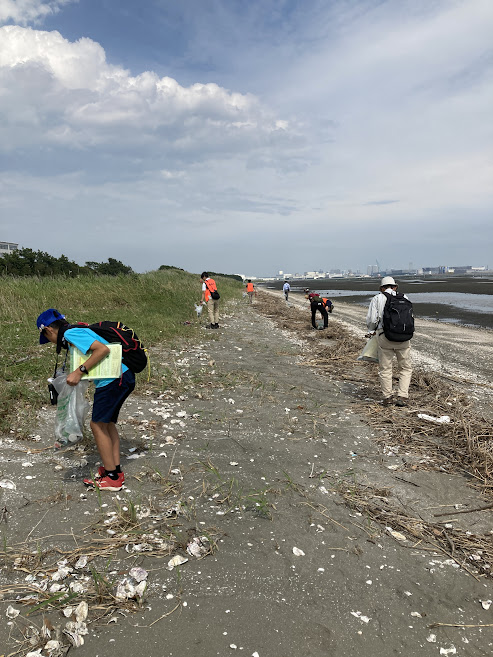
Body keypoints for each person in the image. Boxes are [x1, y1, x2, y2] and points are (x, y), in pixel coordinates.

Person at [36, 309, 135, 491]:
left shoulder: (71, 333)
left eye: (46, 337)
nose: (50, 342)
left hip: (113, 379)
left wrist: (79, 371)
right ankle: (114, 470)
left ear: (49, 330)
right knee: (106, 424)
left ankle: (112, 479)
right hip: (122, 376)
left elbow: (102, 350)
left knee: (97, 425)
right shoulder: (75, 330)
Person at [366, 276, 412, 407]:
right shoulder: (405, 297)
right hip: (404, 337)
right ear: (395, 287)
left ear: (381, 288)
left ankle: (388, 397)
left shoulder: (377, 298)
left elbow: (371, 320)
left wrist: (372, 330)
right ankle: (402, 396)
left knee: (385, 368)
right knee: (405, 368)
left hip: (385, 336)